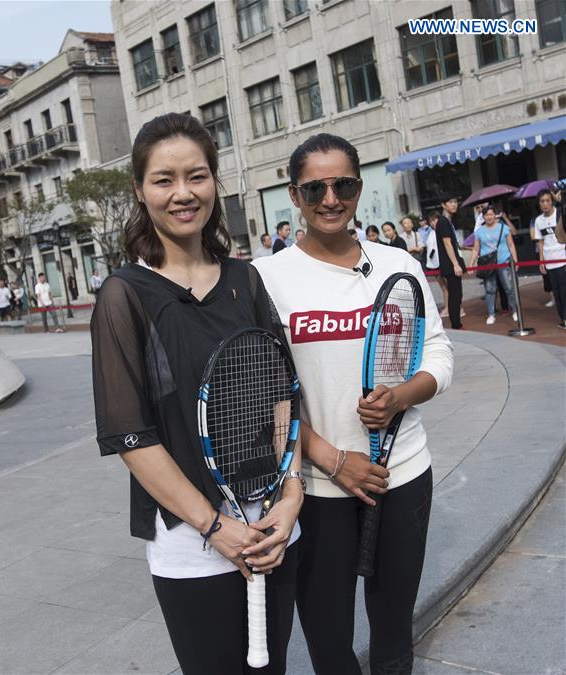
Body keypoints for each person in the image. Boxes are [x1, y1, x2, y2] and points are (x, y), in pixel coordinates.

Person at [92, 112, 302, 675]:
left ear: (215, 180)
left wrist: (292, 497)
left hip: (275, 525)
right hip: (194, 543)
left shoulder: (246, 280)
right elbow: (130, 436)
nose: (183, 193)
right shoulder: (124, 295)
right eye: (164, 180)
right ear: (140, 190)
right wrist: (215, 527)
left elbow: (282, 396)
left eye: (197, 175)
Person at [253, 133, 453, 675]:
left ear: (359, 187)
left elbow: (437, 352)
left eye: (342, 184)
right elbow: (265, 396)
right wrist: (334, 460)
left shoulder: (399, 264)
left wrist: (401, 398)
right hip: (317, 490)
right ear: (294, 195)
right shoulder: (263, 280)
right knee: (328, 639)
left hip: (402, 473)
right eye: (314, 187)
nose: (330, 198)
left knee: (393, 631)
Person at [469, 205, 519, 325]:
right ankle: (491, 314)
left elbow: (511, 244)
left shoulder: (504, 228)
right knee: (490, 290)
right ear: (483, 217)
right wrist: (471, 264)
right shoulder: (479, 231)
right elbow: (476, 249)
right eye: (486, 215)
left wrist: (515, 260)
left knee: (509, 288)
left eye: (491, 214)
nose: (489, 217)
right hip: (488, 264)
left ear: (495, 215)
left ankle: (515, 311)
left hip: (503, 261)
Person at [533, 189, 566, 328]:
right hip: (549, 261)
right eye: (542, 201)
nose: (545, 204)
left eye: (547, 200)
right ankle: (563, 319)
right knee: (556, 292)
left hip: (562, 258)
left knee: (564, 291)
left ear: (552, 201)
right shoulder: (538, 220)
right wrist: (541, 260)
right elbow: (540, 241)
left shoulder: (560, 215)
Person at [436, 194, 465, 329]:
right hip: (450, 265)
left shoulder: (447, 221)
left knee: (456, 294)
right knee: (455, 295)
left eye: (455, 201)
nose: (454, 204)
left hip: (451, 264)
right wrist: (455, 264)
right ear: (443, 205)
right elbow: (447, 243)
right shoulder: (443, 222)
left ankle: (456, 323)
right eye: (450, 202)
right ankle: (456, 324)